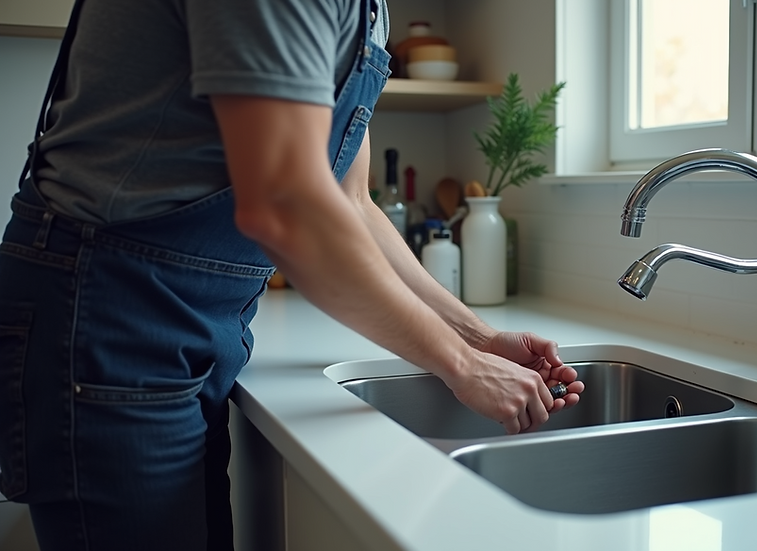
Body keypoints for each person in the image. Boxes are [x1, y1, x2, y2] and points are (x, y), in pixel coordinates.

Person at [0, 0, 584, 549]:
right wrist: (462, 367)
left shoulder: (368, 9)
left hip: (193, 317)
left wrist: (477, 338)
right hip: (103, 304)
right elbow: (287, 205)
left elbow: (349, 201)